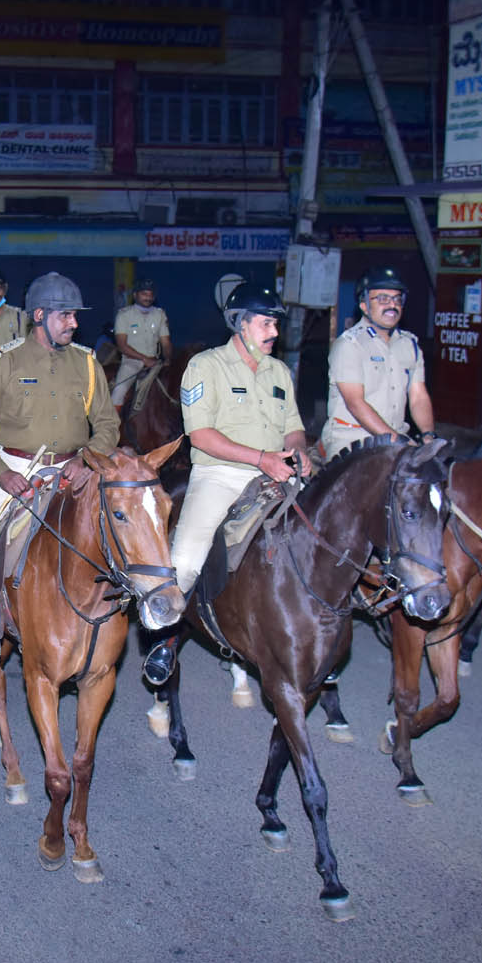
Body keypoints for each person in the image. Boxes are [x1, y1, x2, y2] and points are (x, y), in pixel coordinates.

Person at [141, 283, 309, 683]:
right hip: (221, 474)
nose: (273, 332)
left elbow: (294, 429)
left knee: (324, 534)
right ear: (240, 323)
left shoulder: (279, 371)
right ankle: (162, 637)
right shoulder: (206, 366)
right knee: (186, 556)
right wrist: (260, 459)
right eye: (266, 323)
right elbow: (200, 436)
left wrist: (299, 451)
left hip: (277, 473)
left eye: (275, 325)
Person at [0, 271, 119, 664]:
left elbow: (108, 424)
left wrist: (85, 457)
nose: (74, 324)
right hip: (16, 466)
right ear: (40, 315)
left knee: (126, 528)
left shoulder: (88, 363)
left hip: (76, 469)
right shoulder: (4, 360)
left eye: (75, 316)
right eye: (66, 316)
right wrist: (0, 471)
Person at [318, 266, 433, 459]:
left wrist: (428, 435)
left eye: (397, 299)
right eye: (382, 299)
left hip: (398, 438)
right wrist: (396, 440)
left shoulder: (410, 344)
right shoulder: (350, 345)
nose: (392, 305)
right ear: (364, 304)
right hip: (352, 438)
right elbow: (355, 403)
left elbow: (418, 396)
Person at [109, 277, 172, 408]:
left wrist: (168, 359)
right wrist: (144, 359)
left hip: (155, 363)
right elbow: (122, 346)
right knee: (118, 392)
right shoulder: (124, 315)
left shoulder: (159, 315)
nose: (148, 297)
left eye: (151, 294)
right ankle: (112, 427)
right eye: (144, 294)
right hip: (131, 362)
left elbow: (166, 343)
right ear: (135, 295)